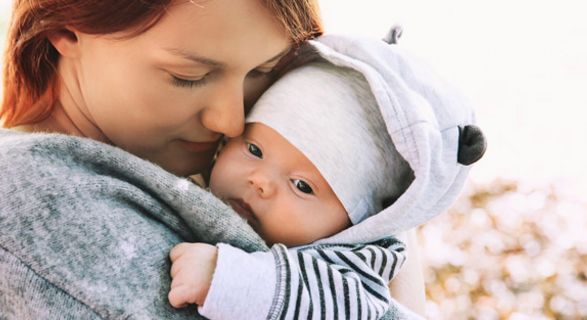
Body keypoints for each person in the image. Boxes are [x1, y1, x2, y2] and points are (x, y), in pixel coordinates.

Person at [0, 1, 427, 318]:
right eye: (189, 77)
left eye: (264, 71)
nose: (231, 121)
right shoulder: (34, 196)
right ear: (68, 30)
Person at [167, 35, 486, 319]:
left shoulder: (356, 265)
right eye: (254, 149)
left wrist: (227, 280)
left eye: (302, 186)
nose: (260, 181)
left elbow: (351, 306)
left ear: (355, 225)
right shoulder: (183, 185)